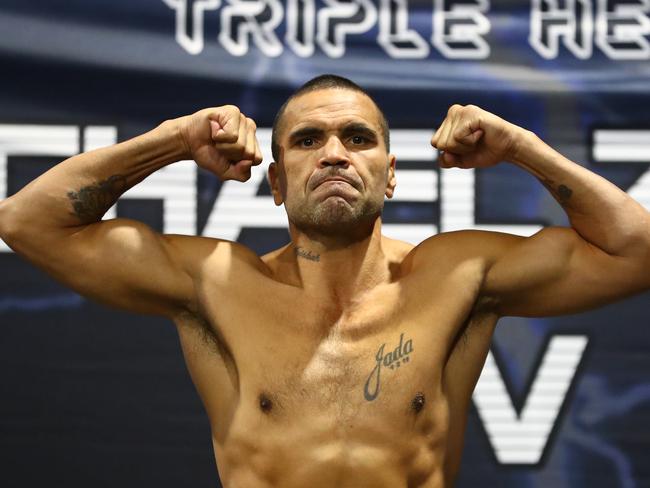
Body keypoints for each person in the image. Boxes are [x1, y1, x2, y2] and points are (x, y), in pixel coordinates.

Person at [0, 74, 648, 487]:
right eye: (308, 140)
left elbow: (636, 253)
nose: (334, 153)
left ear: (390, 175)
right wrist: (175, 138)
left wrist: (520, 146)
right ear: (276, 183)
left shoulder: (459, 275)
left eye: (357, 138)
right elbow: (28, 222)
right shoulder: (217, 284)